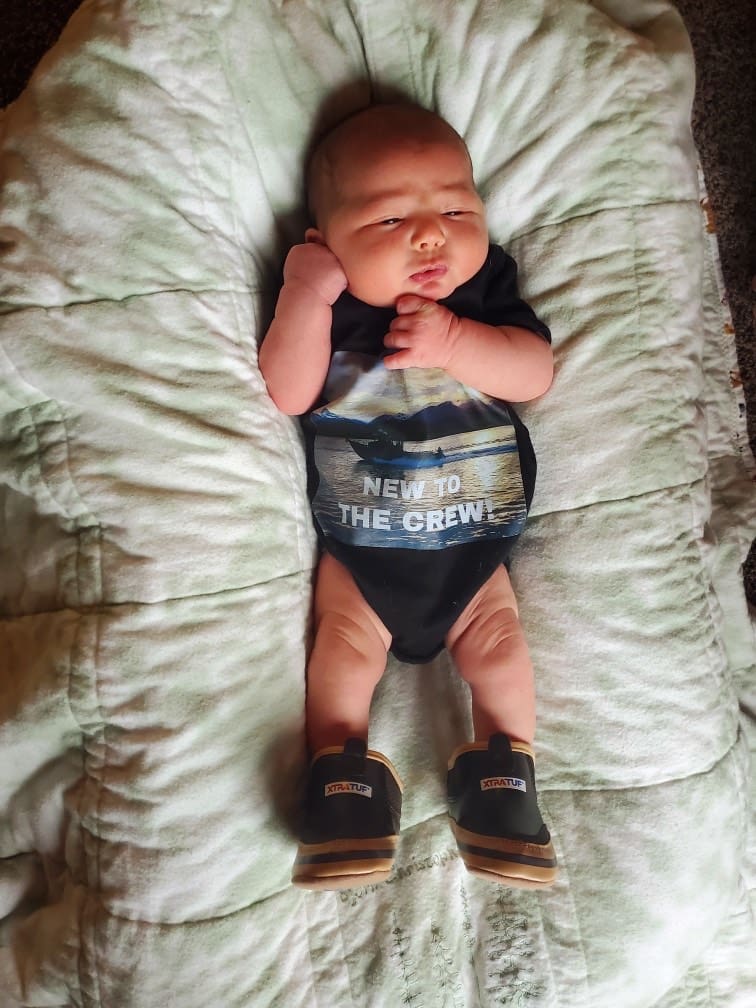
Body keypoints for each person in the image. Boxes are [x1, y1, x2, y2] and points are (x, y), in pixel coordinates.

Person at [259, 102, 557, 891]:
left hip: (473, 543)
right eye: (391, 219)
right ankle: (342, 780)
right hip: (361, 545)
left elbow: (533, 372)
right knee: (342, 652)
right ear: (325, 242)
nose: (431, 236)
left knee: (499, 649)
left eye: (456, 211)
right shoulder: (332, 304)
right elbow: (289, 393)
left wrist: (456, 340)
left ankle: (505, 779)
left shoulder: (481, 290)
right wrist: (303, 297)